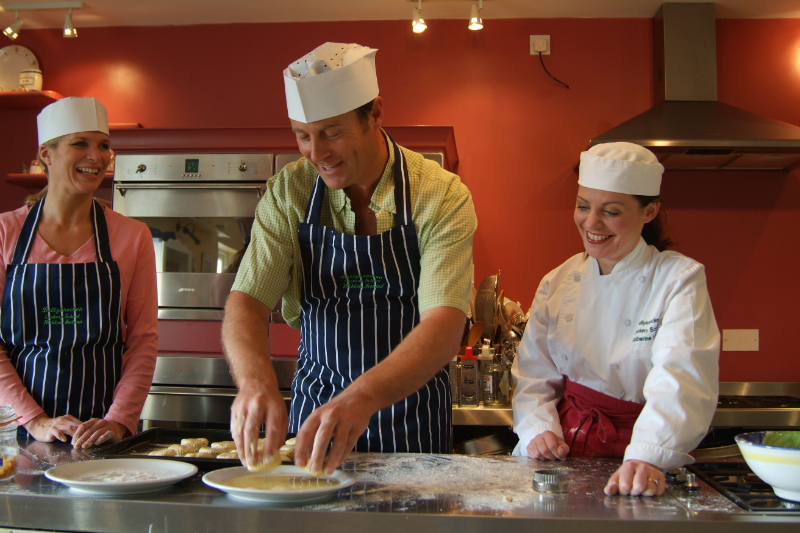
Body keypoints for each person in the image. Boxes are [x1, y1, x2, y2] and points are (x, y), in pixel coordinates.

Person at [223, 43, 476, 474]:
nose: (316, 153)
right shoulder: (290, 192)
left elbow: (445, 325)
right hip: (315, 419)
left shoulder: (440, 194)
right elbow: (246, 301)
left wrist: (361, 398)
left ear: (375, 113)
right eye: (303, 135)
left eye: (332, 132)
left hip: (412, 423)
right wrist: (255, 380)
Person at [511, 142, 720, 497]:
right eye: (582, 206)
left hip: (642, 456)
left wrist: (648, 454)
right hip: (563, 455)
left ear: (649, 211)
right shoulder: (558, 281)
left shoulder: (677, 279)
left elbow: (681, 375)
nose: (591, 223)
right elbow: (534, 372)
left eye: (610, 211)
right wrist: (538, 429)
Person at [0, 97, 158, 447]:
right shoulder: (5, 234)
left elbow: (142, 341)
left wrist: (118, 421)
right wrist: (36, 420)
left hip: (101, 435)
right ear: (46, 153)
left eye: (103, 146)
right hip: (13, 430)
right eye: (80, 144)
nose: (96, 156)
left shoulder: (132, 237)